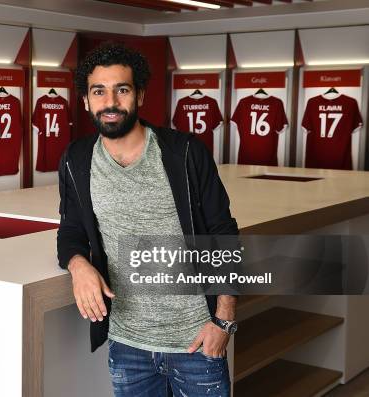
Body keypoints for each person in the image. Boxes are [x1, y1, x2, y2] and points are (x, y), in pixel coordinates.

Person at [57, 42, 239, 397]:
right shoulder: (76, 158)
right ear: (86, 100)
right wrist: (78, 266)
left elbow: (223, 234)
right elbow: (71, 229)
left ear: (139, 93)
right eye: (99, 91)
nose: (110, 102)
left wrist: (224, 321)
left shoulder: (184, 152)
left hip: (197, 340)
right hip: (127, 347)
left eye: (121, 90)